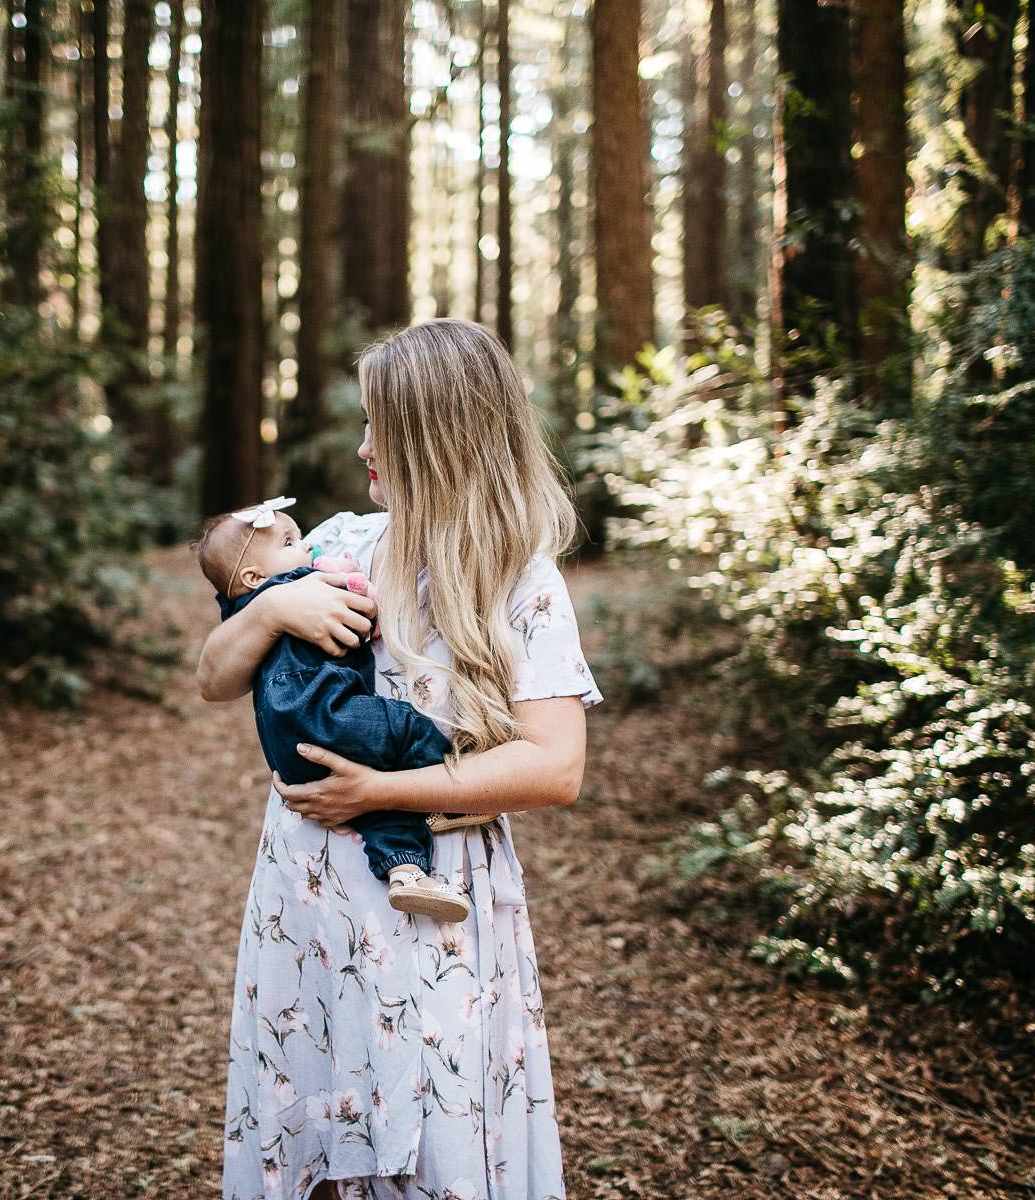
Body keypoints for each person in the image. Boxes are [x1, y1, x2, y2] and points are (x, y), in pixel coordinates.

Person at [199, 319, 601, 1199]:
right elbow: (214, 678)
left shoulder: (520, 581)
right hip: (306, 897)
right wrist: (271, 613)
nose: (363, 444)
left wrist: (380, 789)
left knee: (434, 1137)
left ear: (434, 433)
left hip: (434, 898)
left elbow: (555, 766)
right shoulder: (337, 546)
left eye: (381, 423)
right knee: (316, 1121)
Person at [195, 495, 471, 923]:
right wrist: (284, 604)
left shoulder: (250, 597)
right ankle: (456, 787)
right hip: (323, 710)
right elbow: (358, 609)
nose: (307, 545)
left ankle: (405, 871)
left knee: (377, 800)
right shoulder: (302, 579)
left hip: (293, 748)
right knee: (406, 727)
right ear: (253, 576)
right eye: (290, 542)